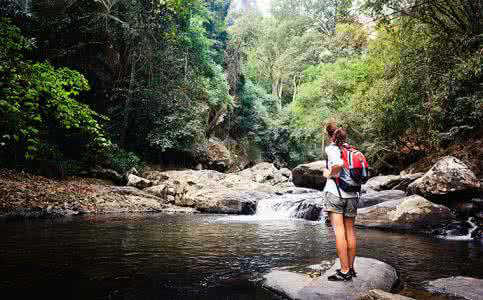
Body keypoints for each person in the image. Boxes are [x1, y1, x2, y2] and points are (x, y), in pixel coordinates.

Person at [323, 123, 358, 281]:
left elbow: (338, 165)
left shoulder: (331, 149)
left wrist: (328, 174)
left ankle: (344, 271)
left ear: (330, 135)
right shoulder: (351, 149)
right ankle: (351, 268)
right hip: (352, 194)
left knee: (339, 233)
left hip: (336, 194)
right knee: (350, 231)